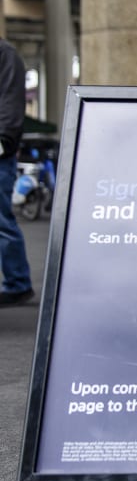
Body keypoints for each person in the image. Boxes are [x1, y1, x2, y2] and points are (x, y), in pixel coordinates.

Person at [0, 38, 33, 306]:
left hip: (0, 153)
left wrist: (4, 141)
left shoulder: (5, 54)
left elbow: (10, 103)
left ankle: (18, 283)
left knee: (1, 222)